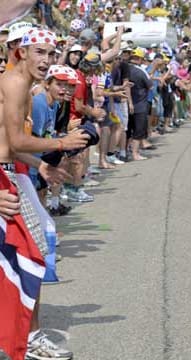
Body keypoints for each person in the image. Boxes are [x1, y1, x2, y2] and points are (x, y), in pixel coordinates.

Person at [0, 27, 89, 360]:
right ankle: (28, 336)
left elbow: (10, 145)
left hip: (12, 175)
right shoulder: (15, 82)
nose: (48, 61)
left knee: (32, 253)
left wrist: (39, 165)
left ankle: (27, 335)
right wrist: (61, 144)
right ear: (19, 51)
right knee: (29, 256)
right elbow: (17, 141)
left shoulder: (21, 84)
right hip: (4, 180)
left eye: (52, 54)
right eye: (39, 52)